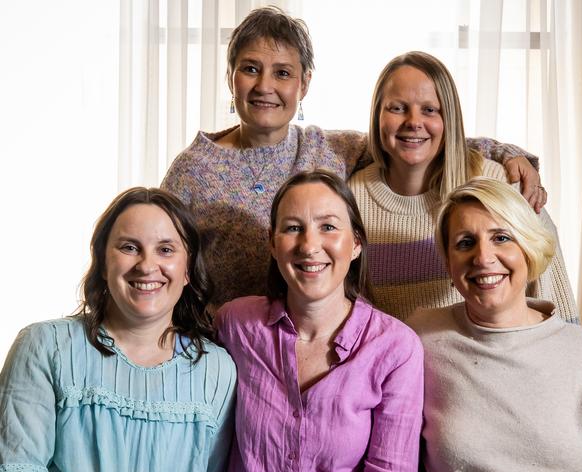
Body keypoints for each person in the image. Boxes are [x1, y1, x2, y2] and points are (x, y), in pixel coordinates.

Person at [161, 6, 543, 307]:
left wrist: (509, 154)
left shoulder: (329, 150)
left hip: (318, 346)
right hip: (223, 350)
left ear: (304, 84)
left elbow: (417, 136)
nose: (265, 86)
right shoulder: (194, 169)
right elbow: (162, 264)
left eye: (282, 73)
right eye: (250, 69)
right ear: (231, 77)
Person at [406, 177, 582, 472]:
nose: (483, 257)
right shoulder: (420, 337)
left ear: (529, 248)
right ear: (449, 264)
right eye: (465, 243)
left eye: (502, 238)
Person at [0, 188, 236, 472]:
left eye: (165, 249)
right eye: (129, 247)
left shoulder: (217, 372)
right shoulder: (45, 347)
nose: (147, 266)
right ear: (102, 262)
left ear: (188, 268)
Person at [216, 170, 423, 472]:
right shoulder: (235, 324)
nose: (309, 246)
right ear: (273, 244)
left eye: (328, 227)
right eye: (293, 228)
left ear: (355, 244)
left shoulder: (395, 348)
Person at [348, 51, 578, 322]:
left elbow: (550, 289)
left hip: (486, 357)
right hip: (392, 361)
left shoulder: (499, 184)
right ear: (377, 116)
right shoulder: (351, 199)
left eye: (430, 110)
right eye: (397, 108)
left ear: (450, 119)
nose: (413, 122)